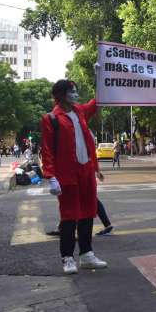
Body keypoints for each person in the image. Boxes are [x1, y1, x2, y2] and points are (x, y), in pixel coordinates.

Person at [40, 79, 107, 274]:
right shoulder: (51, 118)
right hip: (67, 174)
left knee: (88, 213)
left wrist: (99, 75)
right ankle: (67, 258)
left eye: (75, 90)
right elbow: (47, 150)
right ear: (60, 95)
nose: (75, 94)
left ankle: (86, 254)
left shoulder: (80, 111)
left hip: (86, 170)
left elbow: (97, 102)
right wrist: (50, 176)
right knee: (69, 216)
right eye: (71, 91)